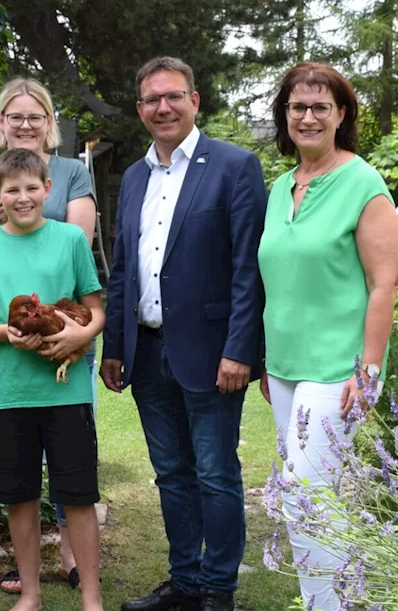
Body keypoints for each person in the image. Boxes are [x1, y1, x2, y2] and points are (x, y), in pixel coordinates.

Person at [101, 56, 267, 611]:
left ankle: (218, 589)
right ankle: (186, 580)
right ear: (141, 109)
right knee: (171, 473)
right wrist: (114, 347)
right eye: (152, 99)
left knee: (216, 474)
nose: (163, 107)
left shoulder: (234, 166)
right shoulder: (133, 176)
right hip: (146, 353)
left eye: (174, 96)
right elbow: (122, 267)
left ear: (195, 101)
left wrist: (241, 348)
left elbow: (249, 266)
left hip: (212, 353)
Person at [257, 63, 398, 610]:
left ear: (342, 115)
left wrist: (368, 370)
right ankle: (333, 601)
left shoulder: (363, 183)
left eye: (321, 107)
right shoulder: (279, 189)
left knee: (304, 495)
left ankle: (332, 604)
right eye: (298, 107)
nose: (309, 116)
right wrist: (270, 360)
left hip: (339, 369)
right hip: (286, 367)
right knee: (310, 501)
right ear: (285, 116)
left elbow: (383, 282)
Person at [0, 148, 106, 611]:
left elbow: (96, 309)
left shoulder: (70, 240)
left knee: (78, 497)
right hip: (9, 394)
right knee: (20, 498)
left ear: (48, 190)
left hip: (66, 390)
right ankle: (31, 594)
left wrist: (80, 333)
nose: (23, 198)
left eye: (31, 189)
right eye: (12, 191)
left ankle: (91, 597)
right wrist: (8, 333)